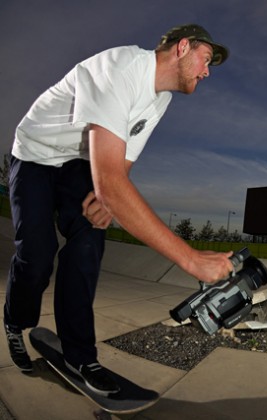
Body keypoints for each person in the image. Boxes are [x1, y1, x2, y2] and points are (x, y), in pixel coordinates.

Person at [4, 24, 235, 396]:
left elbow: (121, 166)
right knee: (37, 252)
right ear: (181, 48)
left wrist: (107, 198)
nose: (207, 72)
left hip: (81, 161)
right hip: (34, 155)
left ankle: (81, 355)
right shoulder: (120, 68)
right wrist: (190, 259)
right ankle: (16, 322)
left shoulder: (161, 98)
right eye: (205, 60)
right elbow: (111, 183)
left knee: (89, 242)